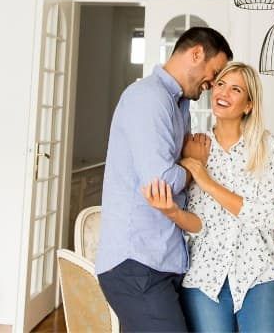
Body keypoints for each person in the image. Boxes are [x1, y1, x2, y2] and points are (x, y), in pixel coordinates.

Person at [95, 26, 232, 333]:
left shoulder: (178, 105)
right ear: (196, 53)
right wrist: (196, 163)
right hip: (137, 262)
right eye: (215, 71)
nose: (213, 84)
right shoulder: (149, 98)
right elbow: (162, 183)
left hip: (159, 260)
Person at [143, 62, 274, 333]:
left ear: (248, 105)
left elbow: (266, 215)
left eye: (235, 89)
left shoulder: (266, 146)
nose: (223, 92)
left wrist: (207, 181)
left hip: (260, 275)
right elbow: (200, 224)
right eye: (220, 84)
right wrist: (172, 212)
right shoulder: (196, 147)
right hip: (205, 279)